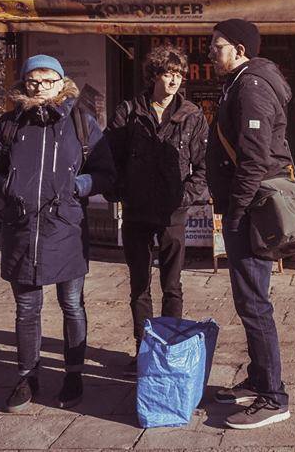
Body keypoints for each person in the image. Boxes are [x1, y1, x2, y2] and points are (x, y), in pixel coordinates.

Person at [0, 54, 114, 413]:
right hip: (21, 229)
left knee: (72, 305)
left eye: (47, 81)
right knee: (26, 308)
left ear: (61, 83)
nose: (40, 88)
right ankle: (27, 377)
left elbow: (106, 172)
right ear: (24, 84)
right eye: (33, 81)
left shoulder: (81, 122)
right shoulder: (10, 124)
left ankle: (74, 374)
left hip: (66, 227)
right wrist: (9, 187)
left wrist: (78, 186)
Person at [206, 18, 291, 429]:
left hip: (250, 210)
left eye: (217, 46)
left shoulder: (251, 87)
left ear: (239, 49)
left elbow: (255, 159)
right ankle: (259, 379)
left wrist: (236, 209)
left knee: (255, 303)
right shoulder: (241, 83)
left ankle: (274, 397)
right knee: (248, 300)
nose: (210, 53)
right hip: (246, 207)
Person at [105, 44, 209, 374]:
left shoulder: (191, 115)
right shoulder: (129, 112)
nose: (174, 80)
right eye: (168, 73)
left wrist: (185, 196)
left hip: (172, 213)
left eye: (179, 74)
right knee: (139, 287)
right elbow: (109, 158)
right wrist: (121, 191)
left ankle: (169, 351)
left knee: (172, 286)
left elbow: (203, 166)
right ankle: (144, 351)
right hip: (136, 211)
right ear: (154, 76)